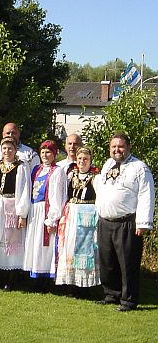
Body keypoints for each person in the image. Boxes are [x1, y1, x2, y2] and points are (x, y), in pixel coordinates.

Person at [94, 132, 155, 311]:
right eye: (113, 146)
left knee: (127, 264)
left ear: (128, 147)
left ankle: (128, 300)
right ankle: (111, 294)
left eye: (120, 146)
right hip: (105, 222)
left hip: (127, 223)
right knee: (108, 262)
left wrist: (143, 223)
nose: (116, 149)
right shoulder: (108, 164)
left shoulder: (139, 168)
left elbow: (146, 194)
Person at [0, 137, 31, 290]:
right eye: (4, 148)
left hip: (12, 207)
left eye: (10, 148)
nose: (7, 151)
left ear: (15, 150)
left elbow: (24, 191)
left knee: (11, 243)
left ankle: (10, 279)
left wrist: (22, 214)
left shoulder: (21, 167)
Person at [55, 147, 100, 291]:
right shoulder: (71, 175)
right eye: (80, 159)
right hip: (71, 215)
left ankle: (85, 286)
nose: (82, 162)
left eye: (85, 159)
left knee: (85, 250)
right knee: (69, 248)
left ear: (90, 161)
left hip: (87, 218)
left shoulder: (95, 177)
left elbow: (99, 199)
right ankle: (70, 283)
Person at [23, 140, 67, 284]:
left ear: (54, 154)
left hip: (45, 211)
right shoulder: (36, 169)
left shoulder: (57, 171)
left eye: (48, 152)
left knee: (45, 246)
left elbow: (57, 196)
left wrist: (52, 218)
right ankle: (34, 277)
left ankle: (45, 279)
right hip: (34, 211)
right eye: (42, 152)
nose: (45, 155)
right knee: (34, 244)